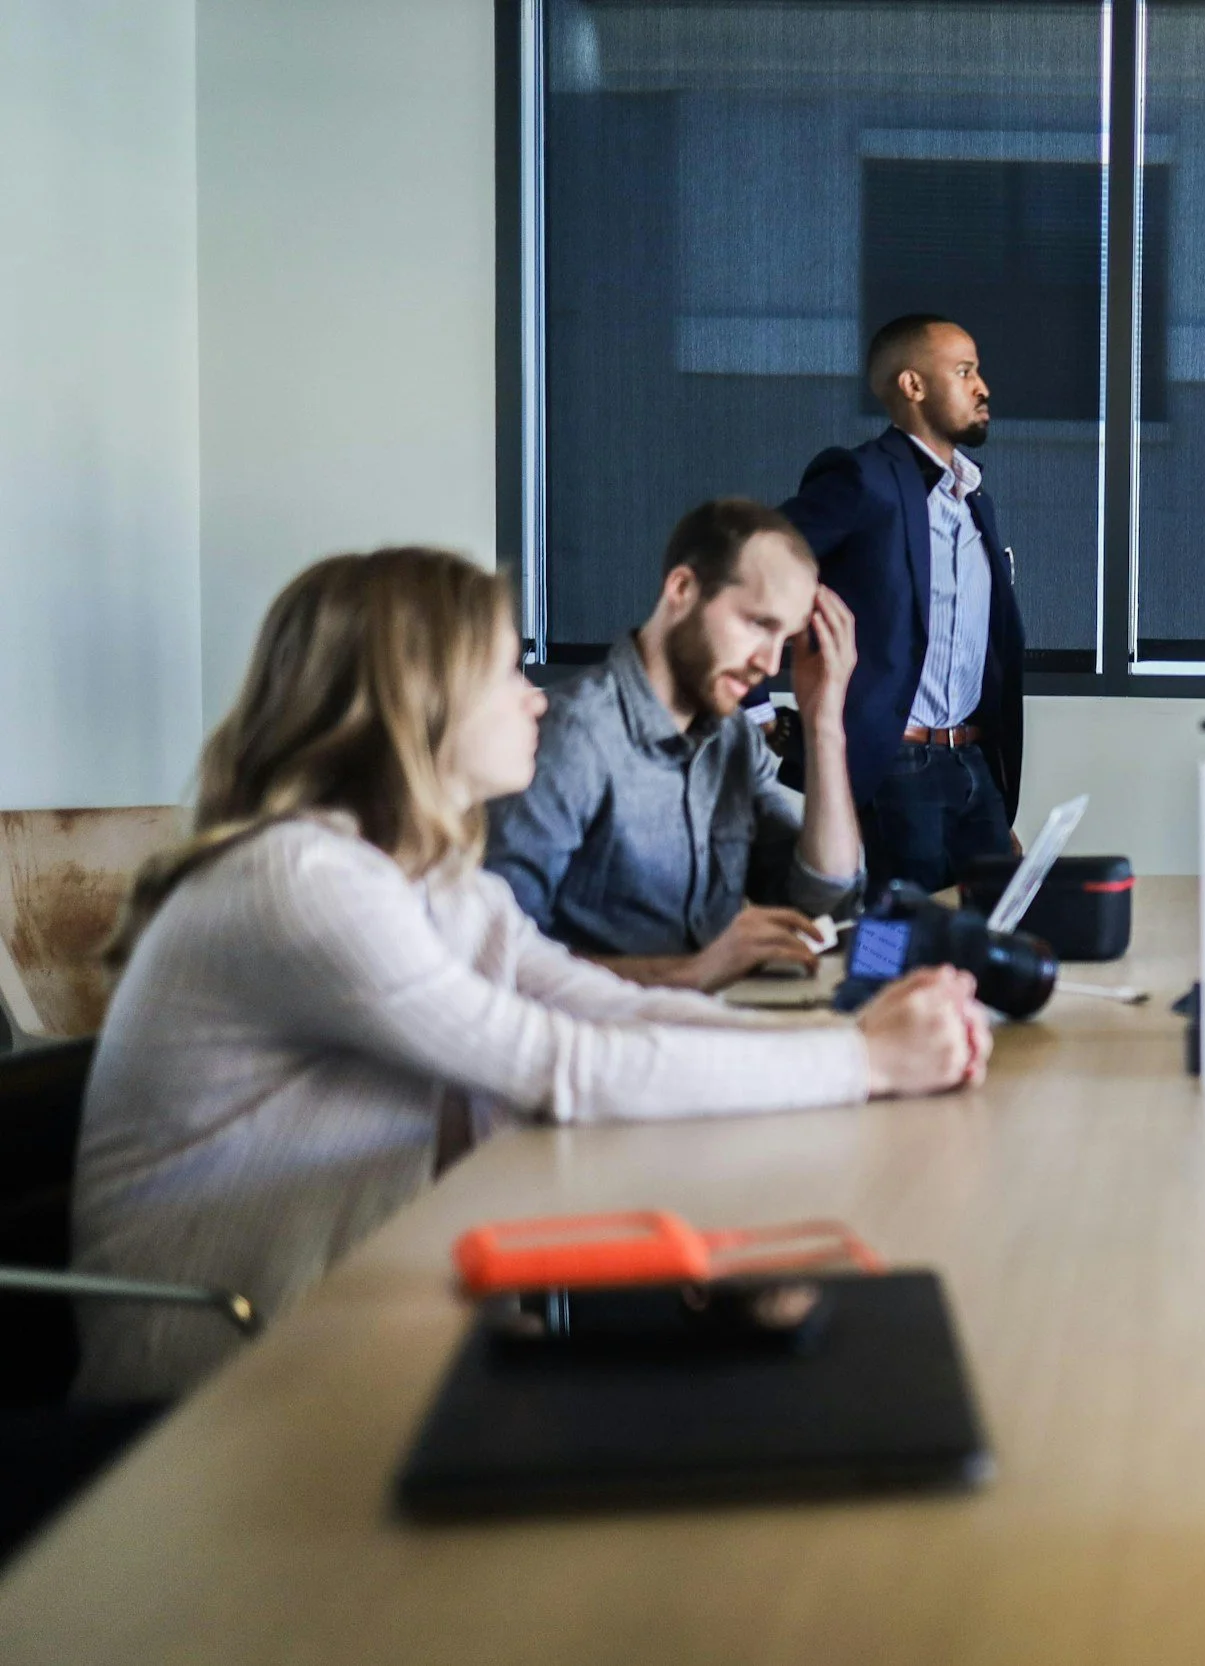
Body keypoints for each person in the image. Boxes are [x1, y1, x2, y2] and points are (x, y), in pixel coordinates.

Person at [72, 548, 991, 1402]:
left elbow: (608, 1007)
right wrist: (864, 1065)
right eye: (508, 673)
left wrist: (849, 1046)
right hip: (215, 1392)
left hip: (351, 1324)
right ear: (418, 697)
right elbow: (564, 1066)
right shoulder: (303, 883)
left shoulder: (421, 880)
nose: (537, 700)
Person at [487, 499, 866, 991]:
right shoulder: (571, 736)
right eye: (758, 625)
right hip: (598, 1047)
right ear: (682, 589)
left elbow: (823, 900)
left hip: (702, 1031)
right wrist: (689, 974)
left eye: (786, 641)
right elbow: (496, 959)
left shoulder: (734, 741)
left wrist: (825, 724)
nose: (771, 665)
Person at [782, 314, 1025, 895]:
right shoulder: (862, 479)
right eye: (964, 371)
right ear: (913, 386)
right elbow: (751, 564)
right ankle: (861, 992)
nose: (982, 387)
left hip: (971, 762)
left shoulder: (973, 501)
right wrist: (760, 714)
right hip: (896, 766)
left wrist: (985, 777)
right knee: (897, 943)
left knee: (993, 933)